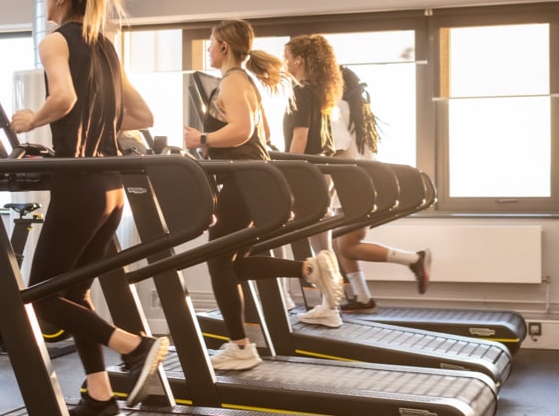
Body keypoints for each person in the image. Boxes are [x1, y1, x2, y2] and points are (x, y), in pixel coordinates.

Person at [9, 0, 166, 416]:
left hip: (79, 187)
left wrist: (29, 120)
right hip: (112, 190)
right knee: (74, 295)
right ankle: (100, 397)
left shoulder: (56, 41)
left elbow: (63, 97)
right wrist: (101, 119)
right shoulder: (104, 44)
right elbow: (142, 116)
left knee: (40, 292)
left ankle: (135, 348)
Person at [182, 20, 344, 372]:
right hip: (253, 182)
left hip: (245, 184)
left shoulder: (233, 81)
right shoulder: (243, 81)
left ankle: (240, 346)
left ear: (224, 46)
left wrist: (203, 140)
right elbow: (263, 132)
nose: (209, 49)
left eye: (210, 43)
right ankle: (308, 268)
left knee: (218, 261)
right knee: (235, 263)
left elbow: (241, 131)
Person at [332, 66, 431, 313]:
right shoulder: (357, 111)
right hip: (358, 184)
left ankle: (414, 259)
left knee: (348, 246)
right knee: (339, 243)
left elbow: (339, 151)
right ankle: (364, 299)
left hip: (355, 186)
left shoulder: (337, 110)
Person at [283, 34, 345, 327]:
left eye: (287, 56)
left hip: (308, 171)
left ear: (299, 60)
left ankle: (327, 307)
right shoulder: (319, 92)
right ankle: (329, 305)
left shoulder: (300, 92)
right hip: (321, 168)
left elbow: (300, 137)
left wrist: (284, 169)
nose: (284, 62)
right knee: (322, 244)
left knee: (318, 244)